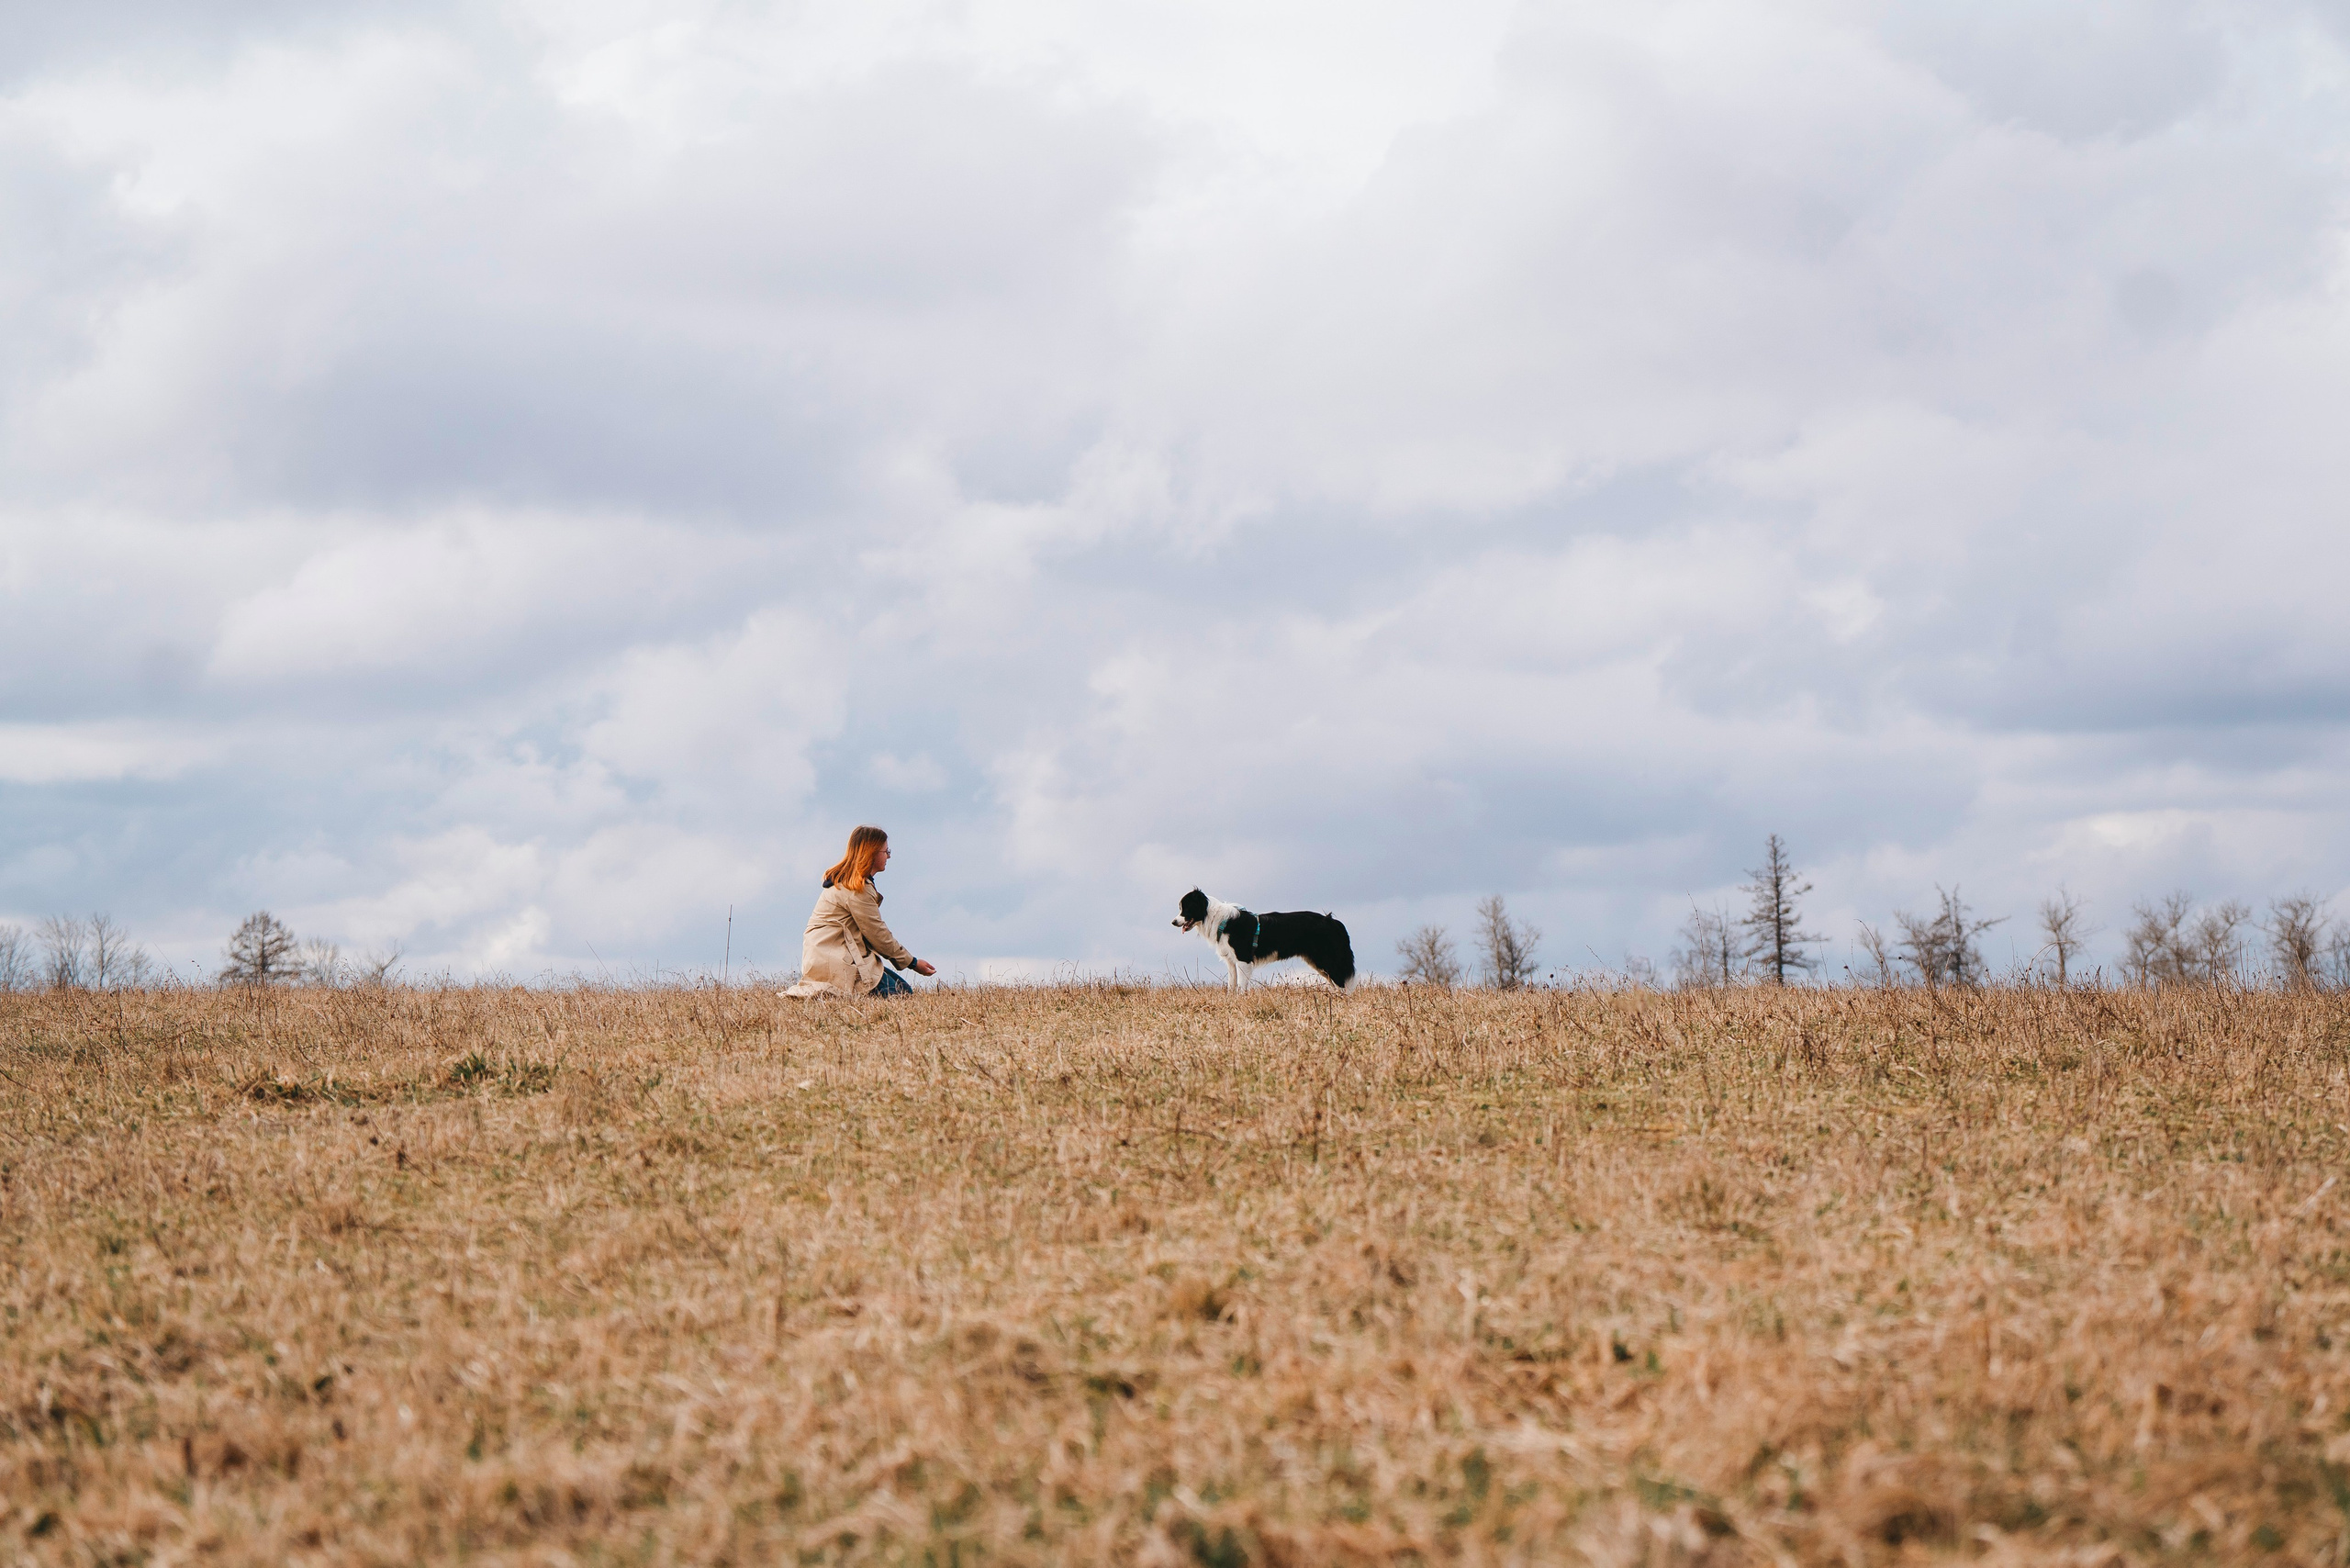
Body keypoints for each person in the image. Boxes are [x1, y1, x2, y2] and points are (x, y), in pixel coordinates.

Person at [788, 824, 937, 998]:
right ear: (871, 853)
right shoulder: (857, 889)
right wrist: (913, 963)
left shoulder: (847, 882)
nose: (888, 856)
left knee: (901, 990)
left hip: (826, 957)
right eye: (885, 851)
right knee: (900, 994)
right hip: (837, 961)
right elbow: (877, 934)